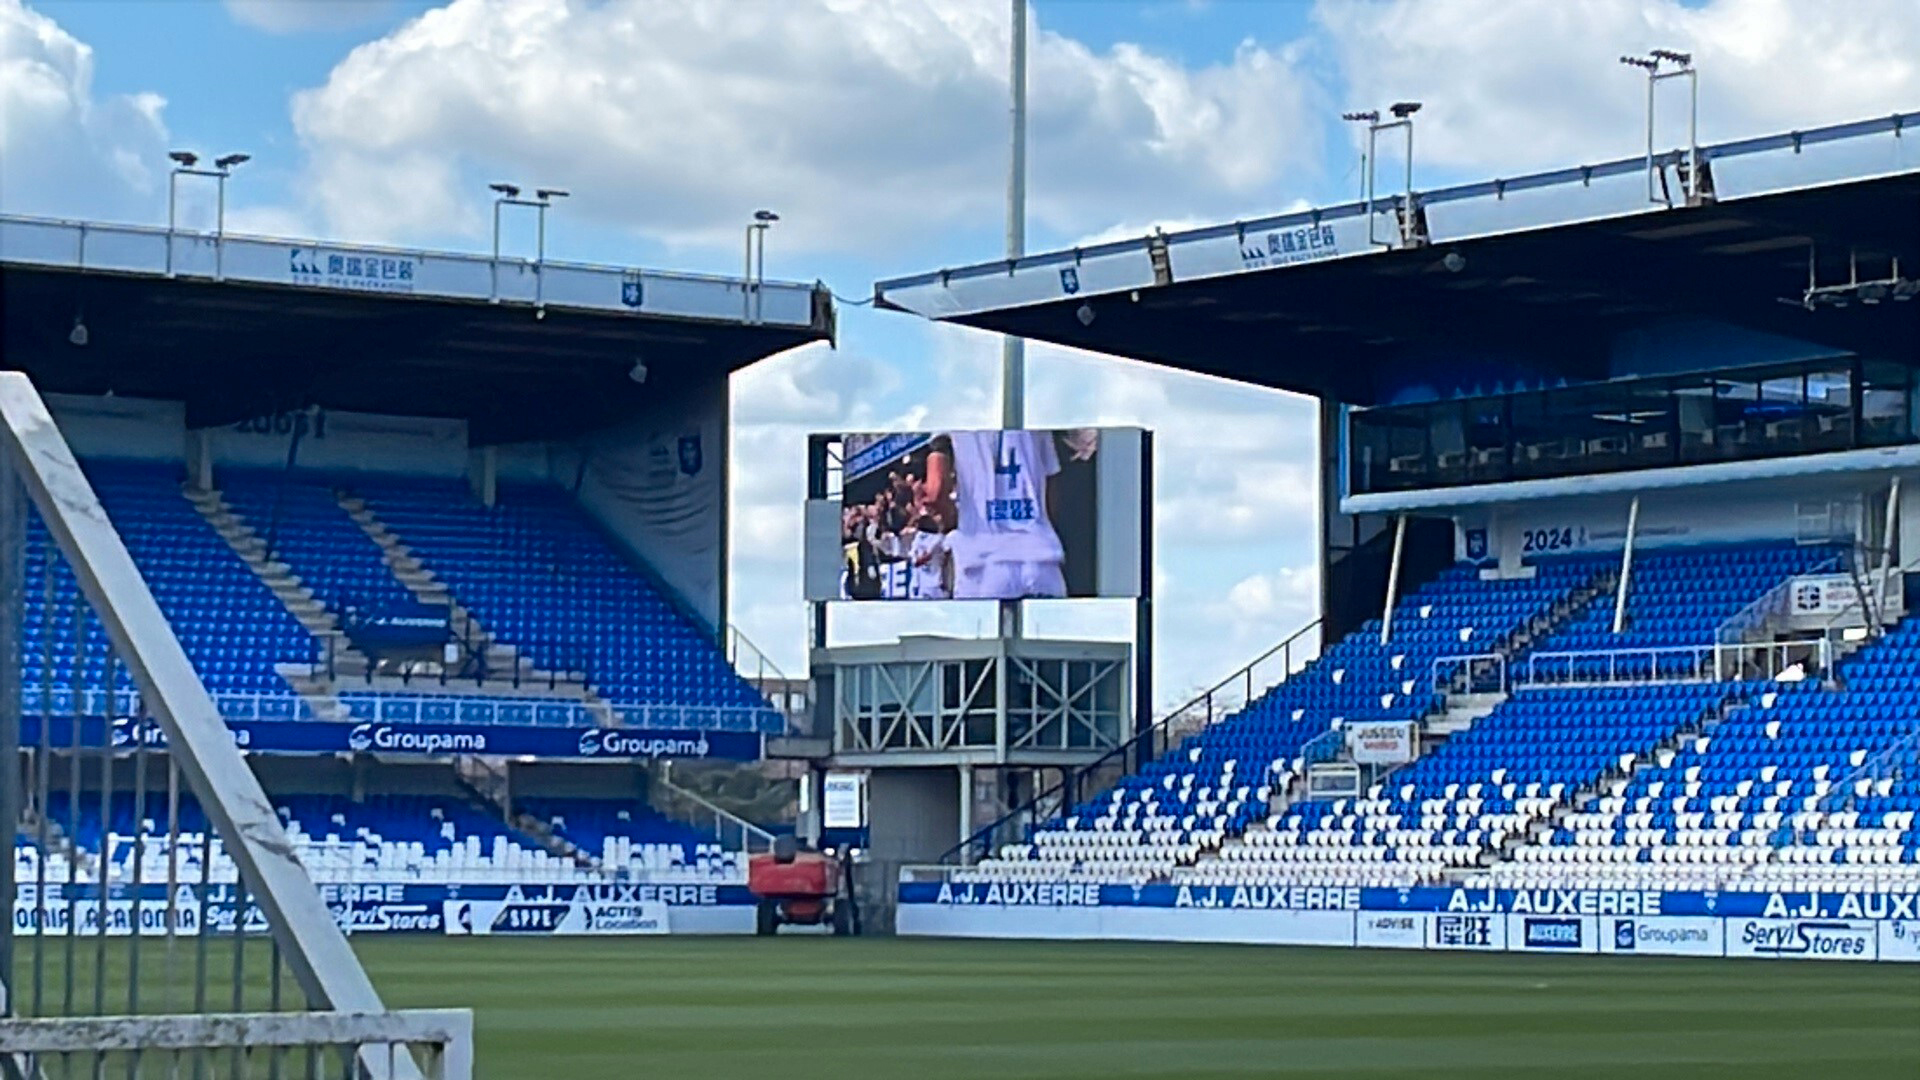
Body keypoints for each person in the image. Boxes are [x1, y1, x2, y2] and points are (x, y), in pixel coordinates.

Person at [930, 429, 1067, 599]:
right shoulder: (1033, 414)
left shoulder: (952, 412)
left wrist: (952, 522)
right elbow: (1052, 486)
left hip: (983, 561)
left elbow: (936, 489)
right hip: (1040, 558)